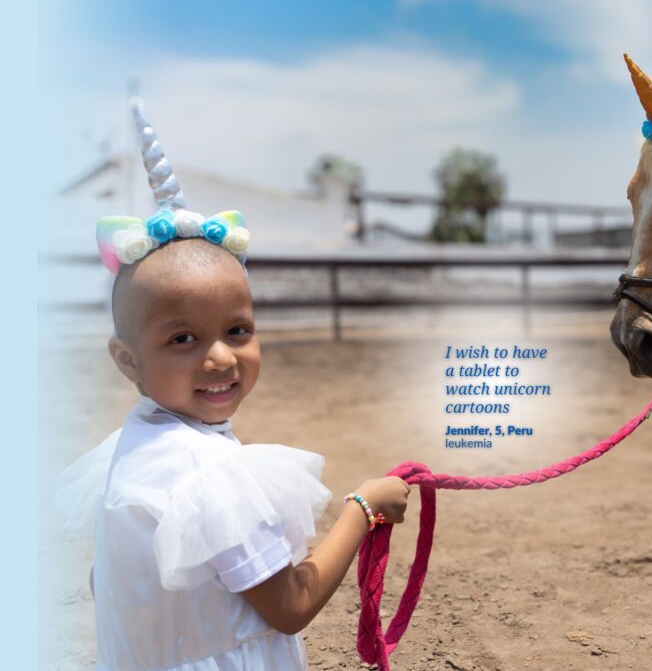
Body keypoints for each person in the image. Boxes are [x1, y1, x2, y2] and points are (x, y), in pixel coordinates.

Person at [57, 100, 410, 670]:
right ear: (126, 360)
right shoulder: (214, 478)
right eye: (182, 339)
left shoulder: (131, 452)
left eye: (237, 330)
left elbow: (111, 584)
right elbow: (289, 606)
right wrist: (363, 508)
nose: (220, 357)